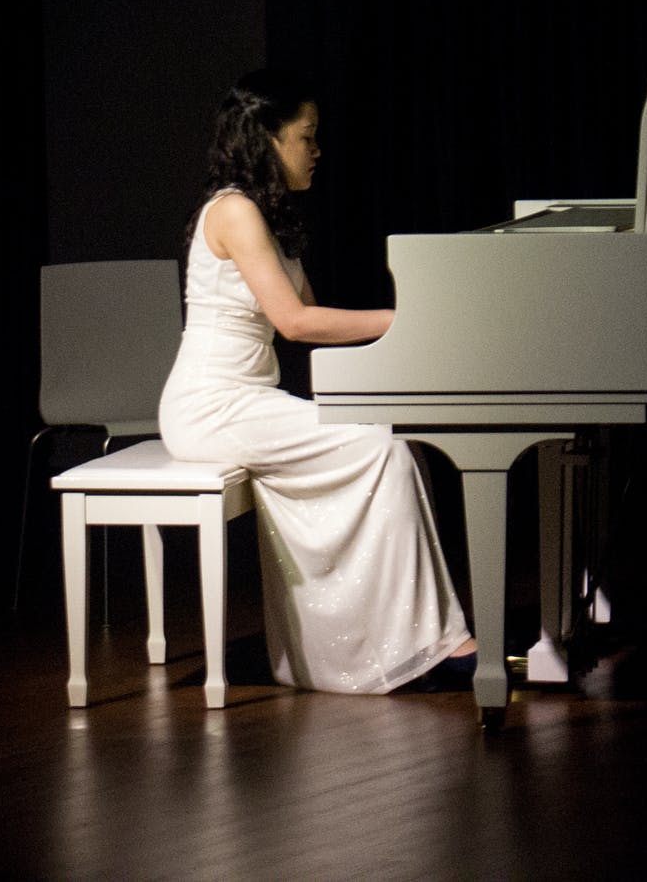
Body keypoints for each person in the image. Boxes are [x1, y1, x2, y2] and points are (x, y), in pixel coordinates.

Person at [158, 69, 476, 694]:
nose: (318, 150)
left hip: (249, 400)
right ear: (268, 139)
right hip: (211, 405)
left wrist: (392, 345)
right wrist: (405, 319)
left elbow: (311, 319)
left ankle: (403, 642)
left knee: (389, 441)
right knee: (383, 449)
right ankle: (425, 645)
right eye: (307, 137)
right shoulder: (233, 210)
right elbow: (296, 322)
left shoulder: (266, 215)